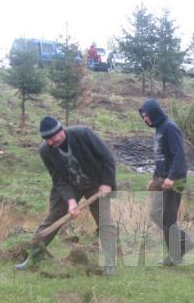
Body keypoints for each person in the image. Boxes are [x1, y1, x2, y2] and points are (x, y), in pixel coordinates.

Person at [15, 117, 117, 275]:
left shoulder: (83, 134)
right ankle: (33, 258)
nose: (50, 142)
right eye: (46, 139)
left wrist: (107, 183)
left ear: (61, 131)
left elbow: (107, 158)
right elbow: (58, 179)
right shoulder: (45, 151)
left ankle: (110, 263)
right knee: (53, 219)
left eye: (52, 137)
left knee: (104, 220)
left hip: (96, 182)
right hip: (70, 185)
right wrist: (70, 201)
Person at [139, 99, 194, 265]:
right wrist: (154, 178)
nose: (145, 119)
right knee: (157, 214)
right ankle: (184, 243)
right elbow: (161, 158)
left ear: (154, 112)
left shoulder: (170, 127)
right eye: (143, 117)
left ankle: (175, 255)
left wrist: (171, 178)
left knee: (168, 218)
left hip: (175, 180)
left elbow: (179, 155)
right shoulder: (159, 130)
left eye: (146, 116)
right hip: (163, 179)